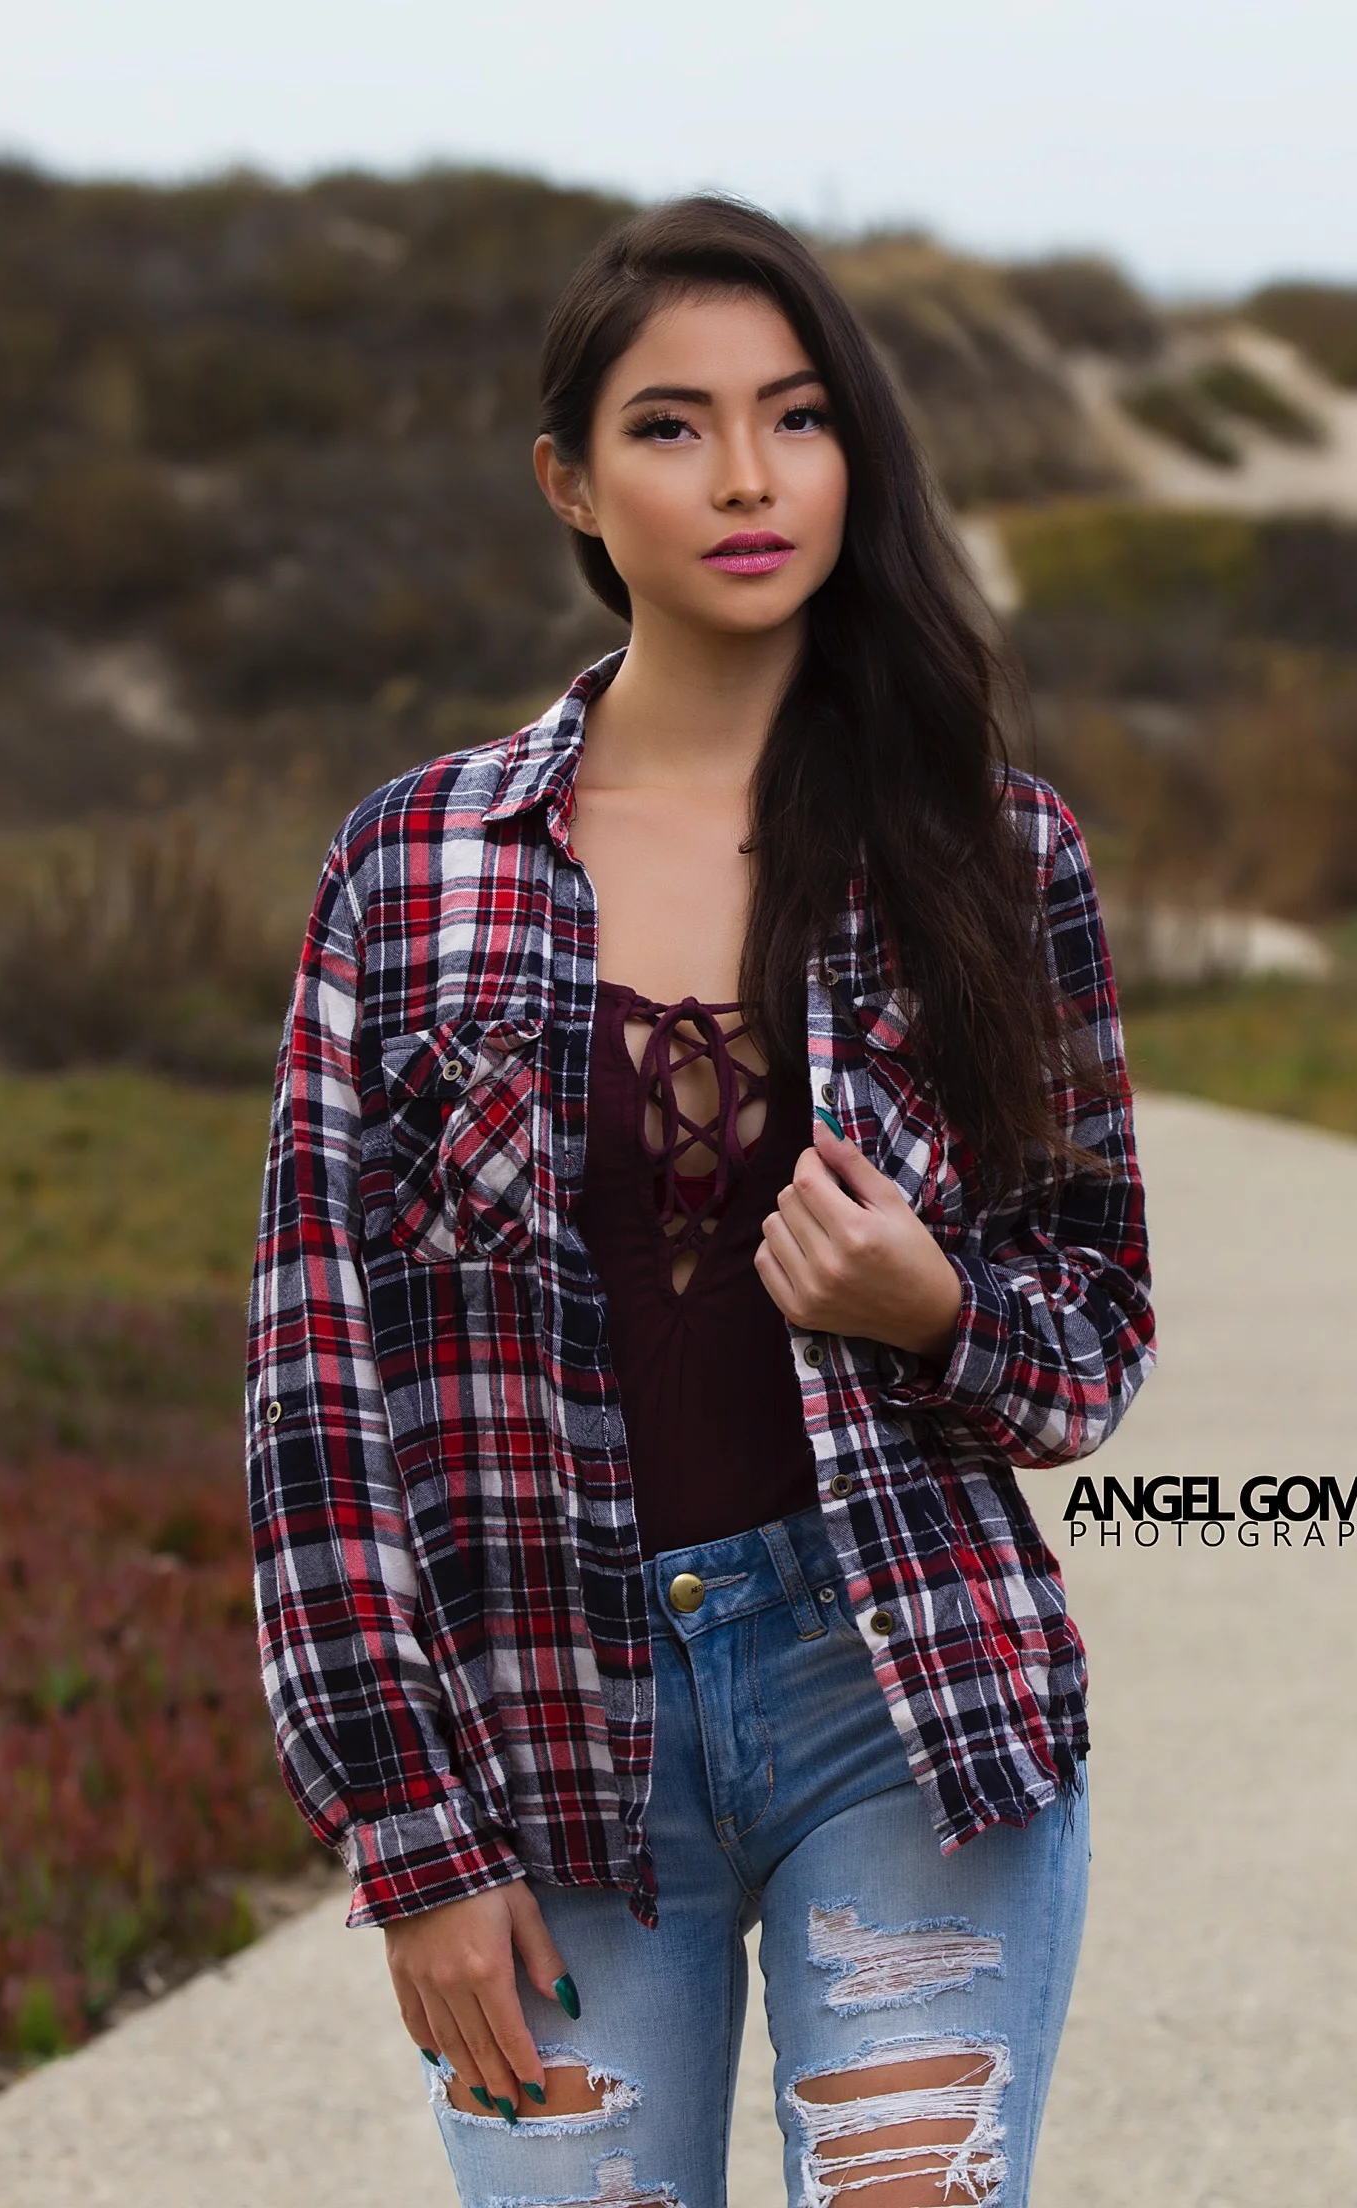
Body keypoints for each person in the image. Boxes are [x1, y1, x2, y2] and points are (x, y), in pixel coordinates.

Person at [246, 195, 1154, 2208]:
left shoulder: (996, 854)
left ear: (855, 458)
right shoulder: (415, 865)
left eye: (796, 417)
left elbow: (1090, 1354)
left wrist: (932, 1308)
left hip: (900, 1694)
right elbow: (314, 1400)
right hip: (543, 1735)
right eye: (672, 426)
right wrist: (411, 1838)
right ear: (569, 479)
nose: (745, 477)